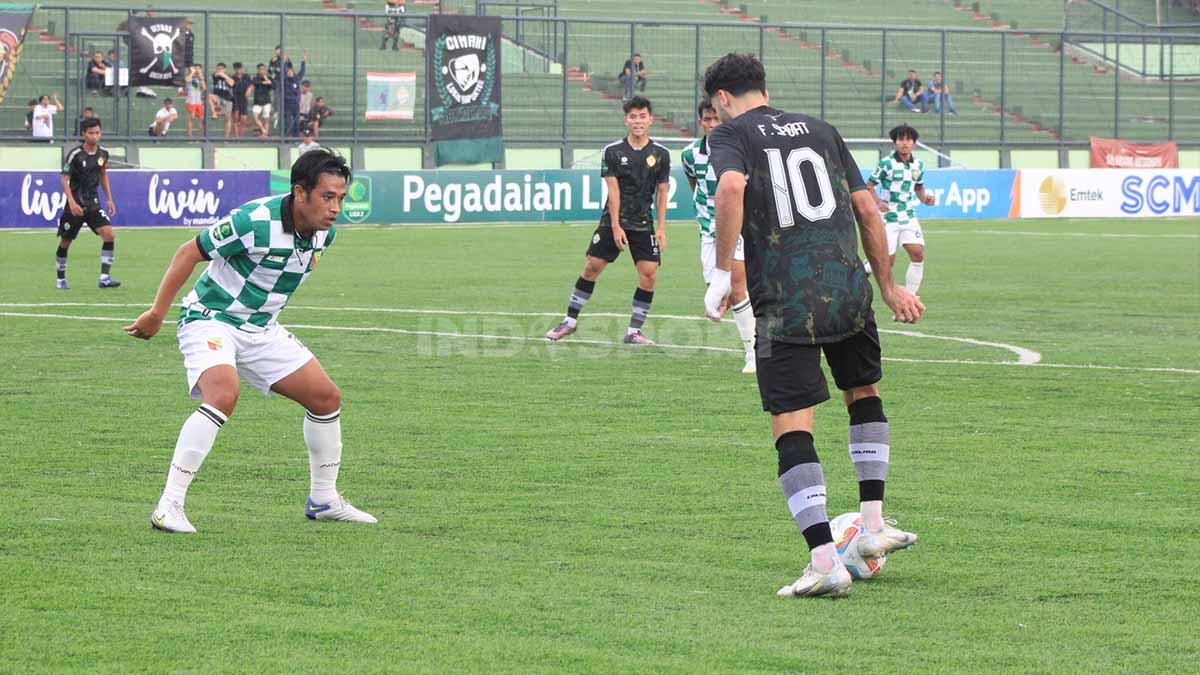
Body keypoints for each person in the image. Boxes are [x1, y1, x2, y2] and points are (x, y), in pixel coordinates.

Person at [701, 53, 924, 598]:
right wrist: (890, 286)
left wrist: (722, 270)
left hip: (785, 299)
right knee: (863, 394)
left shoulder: (730, 135)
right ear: (764, 86)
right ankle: (871, 528)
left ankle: (825, 561)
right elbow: (869, 211)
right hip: (848, 289)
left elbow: (730, 189)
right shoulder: (823, 129)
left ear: (722, 99)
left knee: (792, 424)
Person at [124, 150, 377, 533]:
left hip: (261, 330)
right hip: (210, 319)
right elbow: (188, 252)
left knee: (326, 398)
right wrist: (157, 313)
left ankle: (324, 499)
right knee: (223, 394)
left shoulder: (326, 235)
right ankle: (168, 505)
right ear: (300, 193)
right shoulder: (253, 221)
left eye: (341, 198)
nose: (335, 207)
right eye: (327, 196)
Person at [545, 96, 669, 345]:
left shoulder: (661, 154)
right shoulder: (613, 152)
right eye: (633, 116)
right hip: (613, 221)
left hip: (643, 223)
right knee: (592, 267)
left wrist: (662, 227)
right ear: (626, 120)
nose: (638, 121)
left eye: (642, 116)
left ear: (650, 119)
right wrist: (615, 226)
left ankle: (634, 331)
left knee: (649, 274)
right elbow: (613, 190)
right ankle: (569, 321)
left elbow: (662, 191)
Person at [682, 96, 756, 374]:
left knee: (737, 286)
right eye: (707, 119)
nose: (712, 124)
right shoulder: (690, 154)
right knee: (719, 291)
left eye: (716, 118)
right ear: (701, 121)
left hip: (737, 227)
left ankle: (753, 354)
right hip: (708, 231)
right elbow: (695, 182)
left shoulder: (741, 151)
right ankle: (755, 343)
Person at [865, 124, 935, 295]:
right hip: (889, 216)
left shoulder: (918, 165)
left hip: (908, 214)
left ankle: (911, 297)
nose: (905, 143)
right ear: (895, 143)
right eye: (901, 139)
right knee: (887, 262)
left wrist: (926, 199)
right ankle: (862, 270)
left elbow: (918, 188)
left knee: (917, 254)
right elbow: (870, 186)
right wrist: (878, 201)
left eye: (908, 139)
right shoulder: (886, 163)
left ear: (914, 143)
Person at [56, 117, 120, 290]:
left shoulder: (103, 154)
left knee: (109, 234)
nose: (94, 136)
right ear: (84, 134)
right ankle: (60, 279)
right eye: (91, 133)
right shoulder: (75, 154)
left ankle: (105, 277)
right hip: (75, 205)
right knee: (66, 241)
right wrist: (71, 201)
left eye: (97, 132)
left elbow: (103, 175)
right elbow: (64, 179)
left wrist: (109, 199)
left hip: (93, 204)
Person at [283, 55, 308, 137]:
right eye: (288, 72)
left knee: (296, 121)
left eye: (291, 71)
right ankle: (286, 138)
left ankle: (295, 138)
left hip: (296, 104)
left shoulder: (297, 79)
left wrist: (303, 61)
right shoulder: (284, 80)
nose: (289, 73)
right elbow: (284, 69)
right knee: (287, 121)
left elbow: (302, 71)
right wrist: (286, 61)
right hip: (287, 104)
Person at [209, 62, 235, 137]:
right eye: (218, 68)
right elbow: (217, 74)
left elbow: (232, 84)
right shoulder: (215, 76)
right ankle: (214, 112)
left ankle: (226, 138)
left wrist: (226, 77)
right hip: (218, 96)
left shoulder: (229, 76)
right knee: (209, 96)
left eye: (221, 69)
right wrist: (223, 74)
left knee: (228, 118)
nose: (219, 70)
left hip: (227, 98)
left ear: (225, 69)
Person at [230, 62, 253, 139]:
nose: (238, 70)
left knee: (243, 119)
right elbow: (230, 85)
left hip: (244, 98)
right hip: (236, 98)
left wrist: (249, 89)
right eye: (236, 69)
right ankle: (237, 138)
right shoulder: (233, 77)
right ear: (234, 69)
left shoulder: (246, 76)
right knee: (236, 118)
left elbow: (252, 85)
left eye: (240, 68)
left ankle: (241, 137)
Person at [251, 63, 273, 137]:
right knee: (255, 116)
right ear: (258, 70)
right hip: (257, 102)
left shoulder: (269, 78)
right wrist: (265, 82)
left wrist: (266, 79)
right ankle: (262, 129)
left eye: (263, 69)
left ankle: (265, 135)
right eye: (260, 69)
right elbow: (255, 82)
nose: (262, 71)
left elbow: (272, 85)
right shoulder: (255, 78)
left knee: (266, 119)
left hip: (266, 101)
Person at [184, 64, 206, 137]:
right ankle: (189, 137)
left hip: (198, 101)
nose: (197, 70)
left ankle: (202, 137)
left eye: (198, 68)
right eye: (195, 68)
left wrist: (200, 75)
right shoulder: (189, 76)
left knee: (201, 119)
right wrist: (192, 72)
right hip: (191, 101)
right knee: (192, 117)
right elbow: (187, 80)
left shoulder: (200, 78)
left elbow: (204, 88)